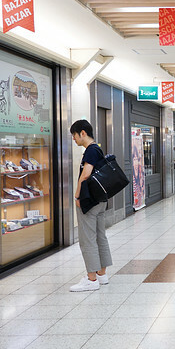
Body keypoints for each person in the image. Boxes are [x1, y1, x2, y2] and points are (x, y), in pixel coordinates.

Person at [69, 119, 112, 292]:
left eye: (74, 135)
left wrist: (77, 194)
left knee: (87, 239)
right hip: (100, 200)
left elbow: (86, 174)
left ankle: (91, 278)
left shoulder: (91, 150)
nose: (74, 139)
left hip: (90, 201)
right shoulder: (97, 149)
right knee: (100, 236)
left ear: (83, 133)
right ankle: (102, 274)